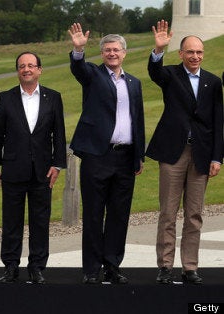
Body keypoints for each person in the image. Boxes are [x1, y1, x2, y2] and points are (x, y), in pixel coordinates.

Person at [67, 23, 145, 284]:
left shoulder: (134, 83)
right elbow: (78, 68)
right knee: (93, 213)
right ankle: (91, 269)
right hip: (97, 156)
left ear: (124, 53)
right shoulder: (92, 75)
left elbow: (138, 120)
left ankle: (112, 266)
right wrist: (78, 50)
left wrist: (138, 155)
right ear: (101, 54)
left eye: (116, 49)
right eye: (107, 50)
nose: (112, 53)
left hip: (125, 158)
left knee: (119, 214)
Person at [147, 20, 223, 285]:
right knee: (168, 212)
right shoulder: (170, 75)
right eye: (190, 52)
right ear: (181, 54)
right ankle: (165, 266)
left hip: (201, 155)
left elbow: (217, 122)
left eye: (199, 52)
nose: (195, 56)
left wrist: (217, 157)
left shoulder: (213, 82)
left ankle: (189, 267)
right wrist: (158, 50)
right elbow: (154, 72)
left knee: (194, 214)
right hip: (173, 153)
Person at [0, 52, 66, 284]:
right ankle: (11, 266)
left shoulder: (53, 97)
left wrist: (58, 164)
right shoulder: (6, 98)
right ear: (18, 71)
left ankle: (37, 267)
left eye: (31, 65)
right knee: (11, 221)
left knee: (40, 221)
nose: (27, 69)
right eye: (22, 66)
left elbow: (59, 135)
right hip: (13, 169)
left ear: (39, 70)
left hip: (43, 171)